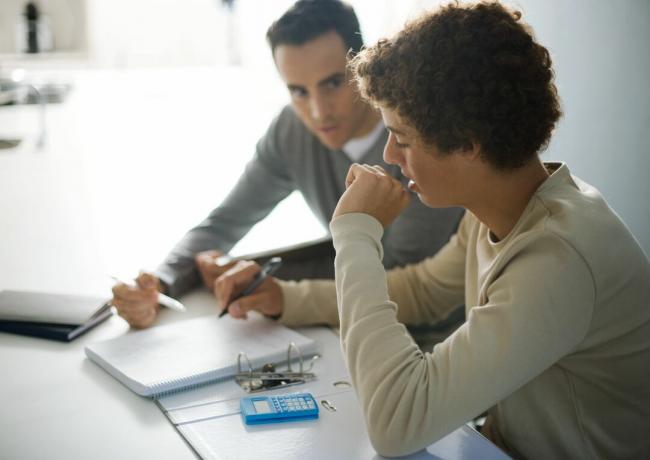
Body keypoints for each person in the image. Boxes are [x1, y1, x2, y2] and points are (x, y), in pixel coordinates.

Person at [216, 2, 650, 458]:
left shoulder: (559, 259)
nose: (388, 155)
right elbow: (423, 289)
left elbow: (398, 424)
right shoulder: (499, 211)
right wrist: (287, 298)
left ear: (468, 143)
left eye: (401, 139)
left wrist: (355, 235)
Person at [111, 0, 463, 329]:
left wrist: (258, 276)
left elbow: (401, 275)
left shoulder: (418, 141)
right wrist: (159, 282)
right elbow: (224, 222)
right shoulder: (292, 129)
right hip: (345, 318)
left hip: (437, 331)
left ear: (364, 64)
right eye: (298, 91)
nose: (318, 112)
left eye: (333, 83)